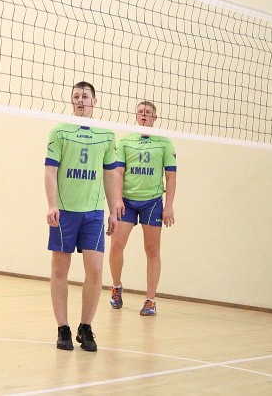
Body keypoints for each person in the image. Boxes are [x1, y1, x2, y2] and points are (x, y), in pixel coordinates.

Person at [44, 81, 119, 352]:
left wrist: (113, 209)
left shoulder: (106, 135)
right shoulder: (60, 132)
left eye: (85, 96)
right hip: (65, 211)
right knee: (59, 270)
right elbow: (50, 171)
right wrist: (52, 205)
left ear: (94, 101)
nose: (80, 100)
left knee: (95, 270)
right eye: (76, 96)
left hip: (93, 213)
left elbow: (110, 175)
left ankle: (85, 327)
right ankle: (62, 328)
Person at [108, 101, 177, 317]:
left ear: (155, 118)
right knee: (116, 246)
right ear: (136, 116)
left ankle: (150, 300)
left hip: (152, 202)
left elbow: (171, 176)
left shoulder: (164, 143)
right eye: (140, 113)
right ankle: (116, 286)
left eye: (148, 113)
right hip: (127, 201)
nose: (144, 116)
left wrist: (169, 206)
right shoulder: (125, 142)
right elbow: (118, 173)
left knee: (152, 250)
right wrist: (117, 200)